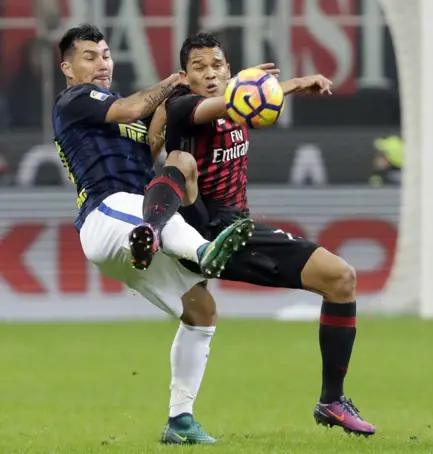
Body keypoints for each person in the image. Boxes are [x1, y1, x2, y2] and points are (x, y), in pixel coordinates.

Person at [134, 32, 376, 438]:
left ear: (228, 69)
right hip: (203, 229)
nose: (210, 74)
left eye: (217, 66)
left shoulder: (239, 100)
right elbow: (233, 102)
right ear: (184, 76)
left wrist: (277, 87)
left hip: (237, 232)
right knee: (181, 160)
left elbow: (242, 101)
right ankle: (152, 230)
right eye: (199, 68)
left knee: (340, 279)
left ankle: (331, 401)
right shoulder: (182, 107)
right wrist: (278, 85)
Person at [52, 24, 253, 445]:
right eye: (90, 56)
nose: (102, 63)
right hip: (106, 215)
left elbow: (153, 136)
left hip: (135, 226)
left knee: (201, 312)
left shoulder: (120, 112)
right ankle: (204, 251)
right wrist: (173, 82)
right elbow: (131, 108)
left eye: (106, 54)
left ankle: (180, 421)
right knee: (152, 214)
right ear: (67, 67)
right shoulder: (76, 100)